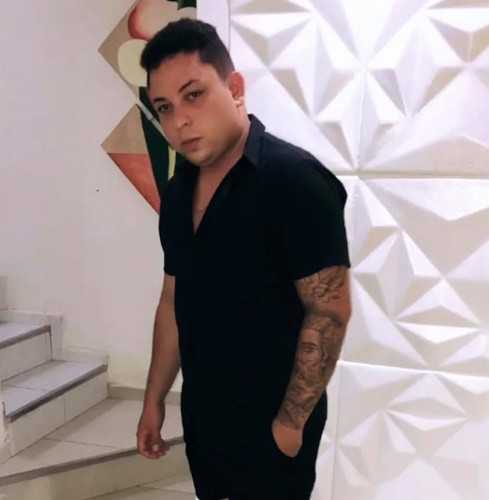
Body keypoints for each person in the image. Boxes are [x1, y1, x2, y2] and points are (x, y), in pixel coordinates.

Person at [136, 18, 352, 500]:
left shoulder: (296, 182)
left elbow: (330, 309)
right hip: (204, 416)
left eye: (194, 95)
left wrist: (290, 425)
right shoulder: (177, 194)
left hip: (274, 424)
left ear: (234, 88)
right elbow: (173, 300)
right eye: (165, 108)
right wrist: (154, 399)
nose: (179, 121)